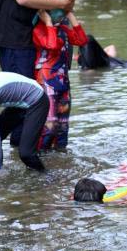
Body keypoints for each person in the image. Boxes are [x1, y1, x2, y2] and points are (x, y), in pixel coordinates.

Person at [33, 9, 87, 150]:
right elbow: (52, 45)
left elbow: (82, 40)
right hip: (46, 80)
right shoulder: (38, 29)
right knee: (50, 124)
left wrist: (69, 13)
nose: (59, 13)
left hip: (63, 81)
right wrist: (48, 22)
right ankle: (40, 158)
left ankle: (61, 158)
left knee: (63, 125)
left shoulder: (63, 29)